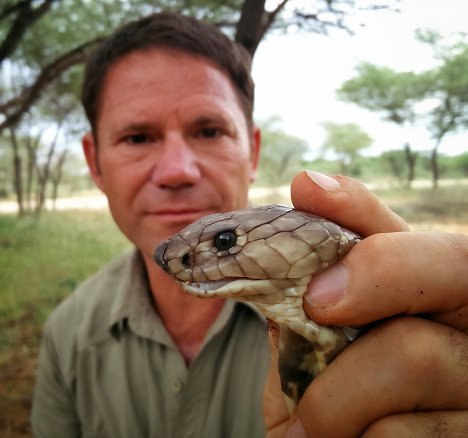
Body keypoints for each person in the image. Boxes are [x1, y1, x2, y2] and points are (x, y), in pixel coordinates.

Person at [31, 11, 468, 438]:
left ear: (253, 152)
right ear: (95, 163)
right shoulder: (67, 333)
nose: (177, 170)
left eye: (208, 131)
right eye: (137, 137)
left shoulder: (380, 307)